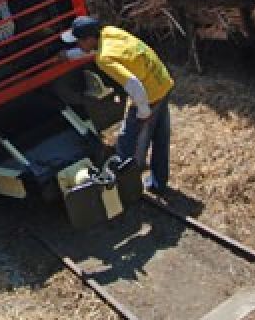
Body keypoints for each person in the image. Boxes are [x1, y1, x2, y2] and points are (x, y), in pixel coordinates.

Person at [61, 16, 174, 193]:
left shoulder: (104, 59)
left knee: (127, 140)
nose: (77, 46)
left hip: (149, 93)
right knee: (160, 137)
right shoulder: (110, 32)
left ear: (90, 39)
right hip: (162, 80)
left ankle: (126, 186)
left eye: (78, 42)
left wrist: (143, 111)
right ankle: (159, 183)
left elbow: (133, 84)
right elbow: (95, 50)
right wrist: (69, 56)